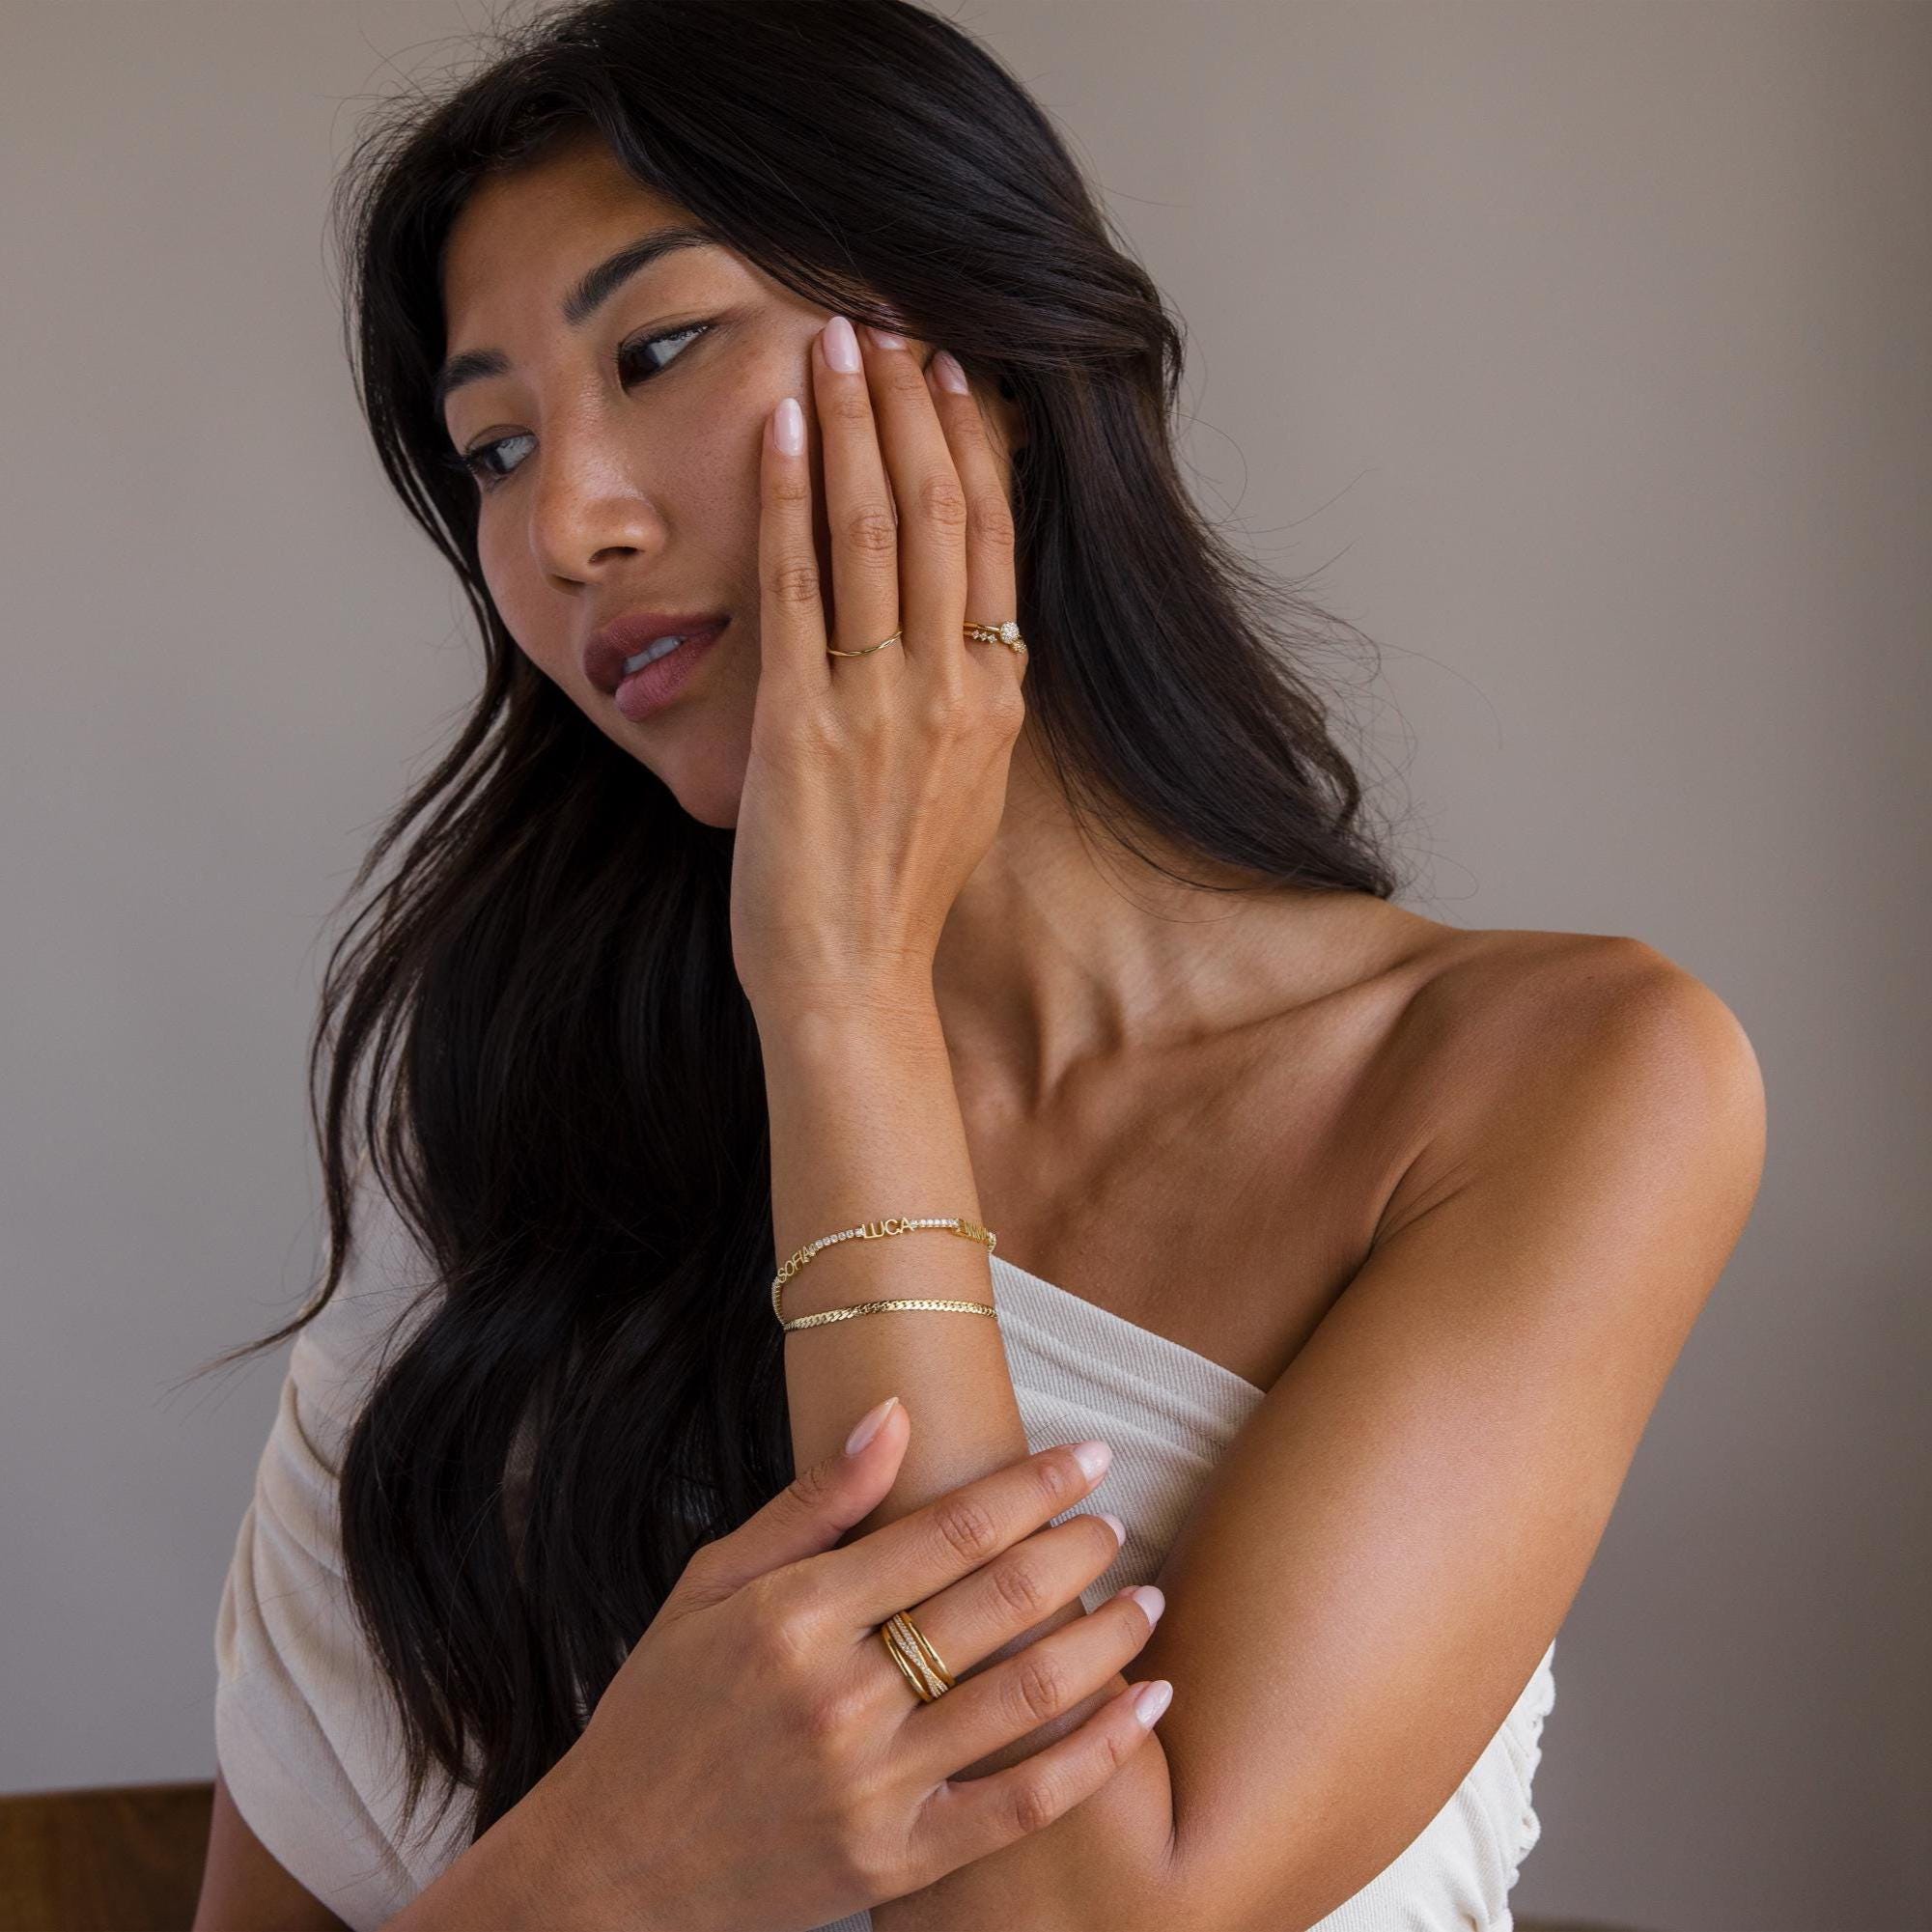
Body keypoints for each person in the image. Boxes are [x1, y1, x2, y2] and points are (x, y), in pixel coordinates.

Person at [191, 3, 1767, 1928]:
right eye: (495, 447)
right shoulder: (506, 1162)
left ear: (989, 372)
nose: (568, 523)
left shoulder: (1553, 1082)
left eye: (659, 348)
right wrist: (613, 1858)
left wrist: (841, 997)